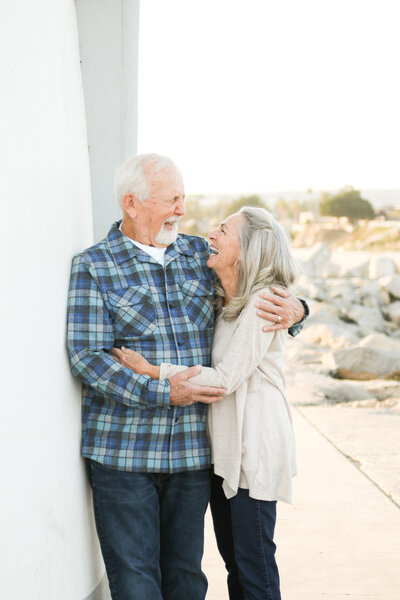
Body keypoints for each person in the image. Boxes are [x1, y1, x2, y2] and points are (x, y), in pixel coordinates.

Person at [67, 154, 307, 600]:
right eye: (171, 199)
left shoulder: (199, 253)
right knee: (137, 583)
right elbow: (87, 357)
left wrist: (299, 310)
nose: (182, 210)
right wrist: (160, 390)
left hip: (192, 456)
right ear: (132, 204)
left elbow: (260, 275)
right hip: (124, 453)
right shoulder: (94, 266)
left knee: (187, 581)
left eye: (183, 198)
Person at [113, 206, 300, 600]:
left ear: (246, 252)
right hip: (227, 451)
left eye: (223, 231)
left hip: (254, 450)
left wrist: (151, 371)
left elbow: (224, 380)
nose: (210, 236)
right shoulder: (227, 297)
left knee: (255, 565)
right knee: (236, 561)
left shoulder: (264, 302)